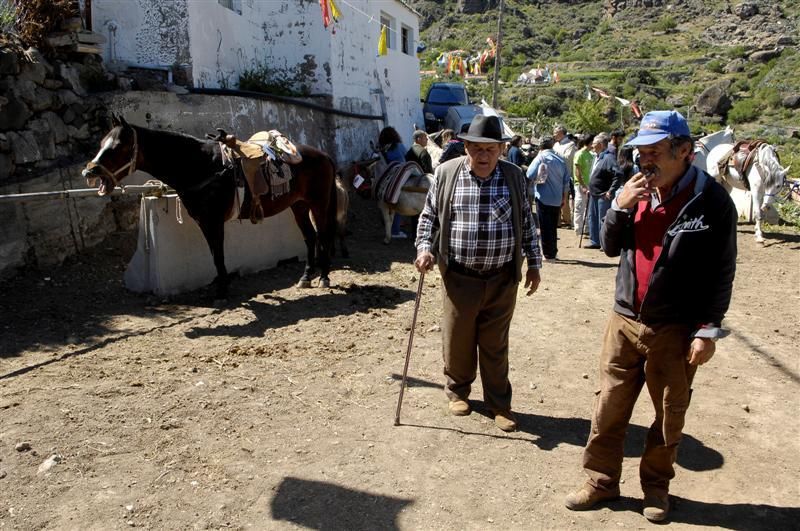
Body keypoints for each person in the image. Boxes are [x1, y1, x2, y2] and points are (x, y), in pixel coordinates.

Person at [564, 110, 738, 522]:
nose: (645, 161)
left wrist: (707, 330)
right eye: (641, 152)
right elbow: (609, 247)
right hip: (624, 320)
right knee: (608, 407)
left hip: (676, 329)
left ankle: (656, 489)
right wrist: (619, 208)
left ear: (685, 152)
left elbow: (722, 270)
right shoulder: (635, 189)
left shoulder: (712, 202)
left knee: (667, 414)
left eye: (655, 152)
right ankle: (600, 481)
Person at [414, 115, 543, 433]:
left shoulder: (513, 177)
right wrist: (424, 248)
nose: (483, 155)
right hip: (459, 276)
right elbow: (429, 216)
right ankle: (458, 392)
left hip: (501, 278)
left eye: (490, 149)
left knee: (495, 344)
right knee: (458, 338)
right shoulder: (447, 174)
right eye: (476, 148)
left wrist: (535, 264)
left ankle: (499, 404)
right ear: (465, 147)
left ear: (501, 149)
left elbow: (527, 223)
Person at [525, 137, 571, 260]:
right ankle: (553, 251)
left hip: (543, 197)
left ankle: (548, 254)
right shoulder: (560, 159)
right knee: (553, 227)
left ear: (540, 146)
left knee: (545, 227)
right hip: (557, 198)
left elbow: (529, 173)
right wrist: (564, 198)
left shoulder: (541, 157)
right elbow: (566, 181)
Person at [585, 133, 621, 249]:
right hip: (594, 193)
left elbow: (618, 174)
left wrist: (610, 190)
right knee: (592, 218)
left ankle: (603, 243)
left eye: (594, 144)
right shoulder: (597, 156)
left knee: (603, 219)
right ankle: (595, 241)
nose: (591, 146)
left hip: (603, 194)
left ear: (600, 145)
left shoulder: (608, 158)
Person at [378, 126, 409, 239]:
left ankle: (390, 228)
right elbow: (406, 155)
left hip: (389, 177)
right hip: (403, 174)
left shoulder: (383, 149)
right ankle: (396, 231)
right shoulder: (399, 146)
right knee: (397, 203)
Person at [553, 125, 578, 228]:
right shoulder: (555, 144)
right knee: (556, 198)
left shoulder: (571, 144)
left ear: (562, 133)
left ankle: (567, 219)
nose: (554, 135)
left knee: (565, 198)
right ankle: (557, 220)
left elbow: (568, 158)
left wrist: (553, 155)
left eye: (555, 133)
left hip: (565, 175)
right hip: (554, 174)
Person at [572, 134, 594, 237]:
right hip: (580, 185)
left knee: (588, 207)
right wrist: (583, 185)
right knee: (579, 206)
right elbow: (577, 172)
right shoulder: (579, 154)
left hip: (589, 184)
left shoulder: (590, 154)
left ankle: (586, 228)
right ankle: (578, 229)